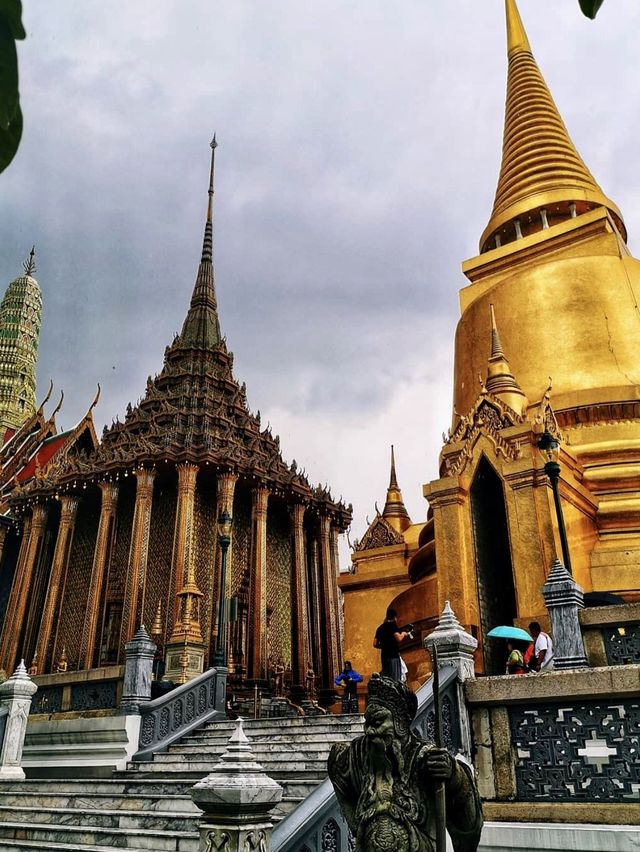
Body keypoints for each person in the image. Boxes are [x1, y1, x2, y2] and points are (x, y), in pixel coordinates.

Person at [328, 674, 483, 852]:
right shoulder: (358, 754)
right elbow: (339, 775)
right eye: (367, 723)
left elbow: (467, 818)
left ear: (400, 723)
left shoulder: (424, 757)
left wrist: (454, 775)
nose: (369, 731)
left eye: (377, 722)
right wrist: (356, 825)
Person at [373, 608, 412, 682]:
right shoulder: (392, 626)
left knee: (387, 677)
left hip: (384, 656)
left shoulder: (380, 628)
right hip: (393, 655)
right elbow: (399, 638)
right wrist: (403, 633)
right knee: (395, 678)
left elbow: (375, 644)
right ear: (395, 617)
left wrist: (384, 646)